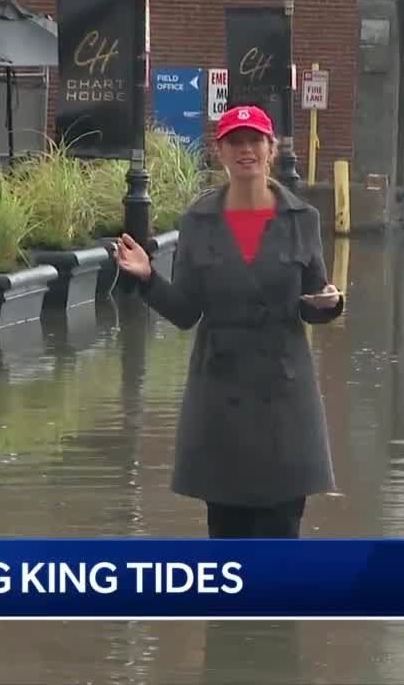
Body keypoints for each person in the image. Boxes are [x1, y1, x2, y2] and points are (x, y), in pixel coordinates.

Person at [113, 104, 344, 539]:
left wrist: (329, 304)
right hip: (220, 400)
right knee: (227, 548)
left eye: (254, 140)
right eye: (234, 142)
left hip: (284, 400)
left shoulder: (303, 220)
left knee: (279, 551)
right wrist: (146, 278)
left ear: (270, 149)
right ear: (220, 152)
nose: (245, 150)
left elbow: (312, 301)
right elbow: (185, 312)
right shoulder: (198, 222)